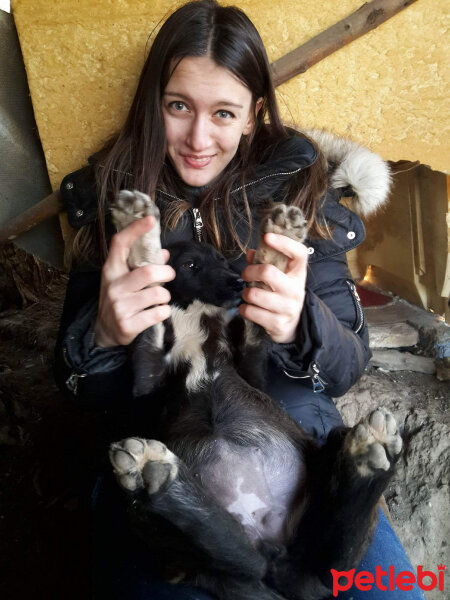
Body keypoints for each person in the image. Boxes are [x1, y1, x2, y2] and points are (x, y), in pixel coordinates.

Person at [54, 1, 425, 598]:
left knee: (392, 591)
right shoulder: (113, 199)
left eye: (223, 113)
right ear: (155, 104)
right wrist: (99, 337)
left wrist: (302, 322)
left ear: (253, 115)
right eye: (179, 107)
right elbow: (78, 387)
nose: (199, 138)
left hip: (303, 460)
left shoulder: (302, 190)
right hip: (168, 462)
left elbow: (347, 365)